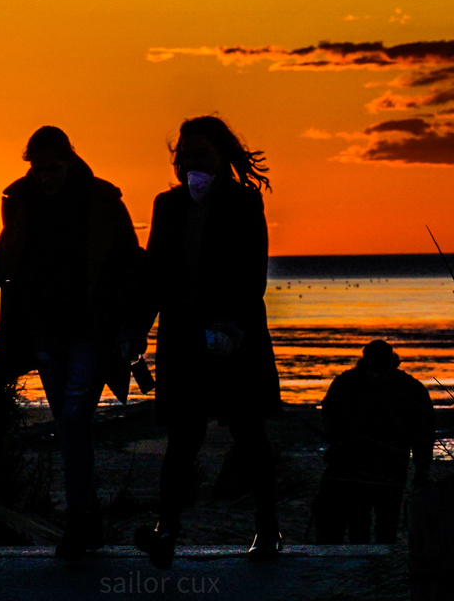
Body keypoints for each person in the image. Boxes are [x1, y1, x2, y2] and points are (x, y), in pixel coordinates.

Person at [0, 126, 143, 560]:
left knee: (75, 418)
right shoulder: (21, 202)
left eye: (53, 168)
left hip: (90, 330)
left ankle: (80, 521)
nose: (45, 177)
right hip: (42, 328)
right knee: (68, 422)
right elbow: (3, 250)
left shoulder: (102, 201)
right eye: (38, 169)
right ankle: (87, 521)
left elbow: (130, 262)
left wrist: (132, 325)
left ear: (70, 160)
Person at [129, 115, 283, 568]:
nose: (191, 162)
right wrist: (137, 330)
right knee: (183, 436)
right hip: (182, 336)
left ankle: (268, 526)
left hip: (234, 334)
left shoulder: (243, 202)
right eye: (185, 155)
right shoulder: (167, 205)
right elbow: (155, 274)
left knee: (248, 432)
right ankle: (167, 530)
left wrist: (232, 326)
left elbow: (252, 272)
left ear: (222, 158)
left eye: (201, 154)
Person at [314, 340, 434, 544]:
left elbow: (423, 432)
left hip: (392, 467)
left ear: (392, 366)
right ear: (365, 365)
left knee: (387, 525)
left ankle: (382, 566)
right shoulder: (345, 383)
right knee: (357, 523)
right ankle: (361, 568)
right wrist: (336, 441)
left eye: (382, 371)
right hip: (353, 465)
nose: (377, 376)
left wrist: (422, 470)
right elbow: (329, 413)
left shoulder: (411, 389)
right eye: (373, 371)